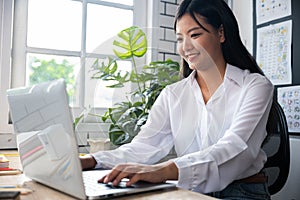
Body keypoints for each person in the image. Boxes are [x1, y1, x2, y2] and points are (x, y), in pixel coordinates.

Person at [80, 0, 274, 199]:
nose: (185, 47)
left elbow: (236, 148)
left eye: (195, 35)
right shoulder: (173, 95)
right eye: (180, 38)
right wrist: (92, 160)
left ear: (221, 33)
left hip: (243, 191)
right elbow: (145, 146)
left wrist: (164, 170)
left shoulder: (255, 86)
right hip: (190, 190)